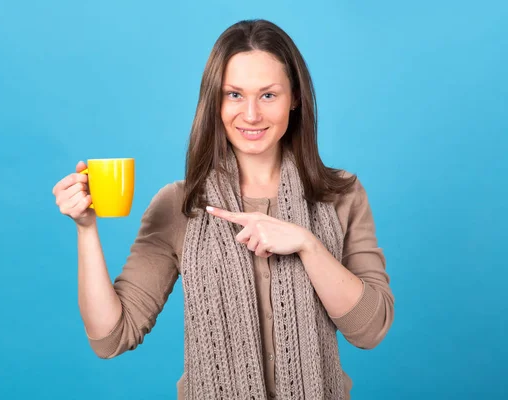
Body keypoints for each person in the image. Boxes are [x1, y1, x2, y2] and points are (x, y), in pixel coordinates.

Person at [52, 19, 394, 400]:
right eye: (234, 95)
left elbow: (371, 329)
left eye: (268, 95)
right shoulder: (180, 205)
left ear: (295, 97)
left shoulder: (341, 195)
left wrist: (307, 245)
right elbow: (111, 337)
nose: (250, 115)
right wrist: (86, 229)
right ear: (214, 100)